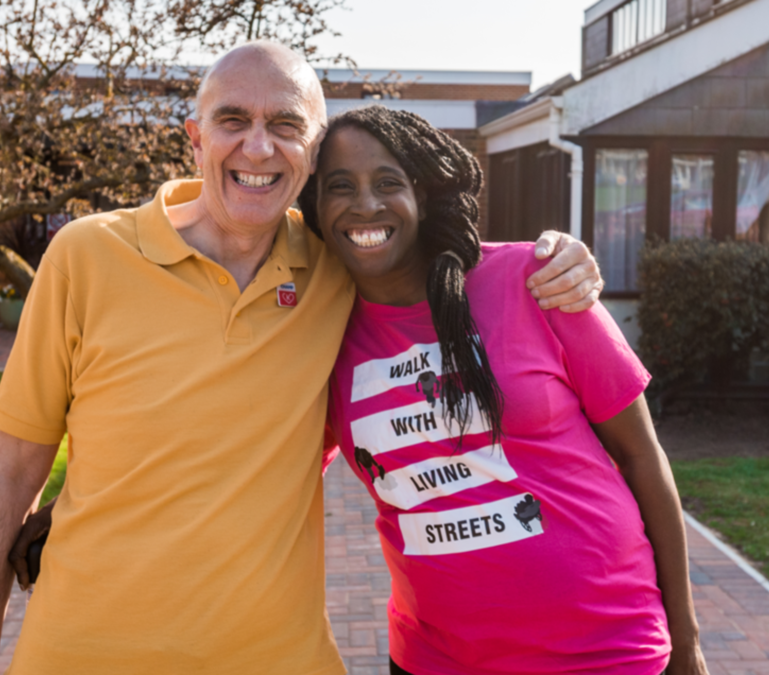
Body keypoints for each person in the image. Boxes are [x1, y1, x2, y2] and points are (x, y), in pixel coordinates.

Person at [0, 42, 602, 675]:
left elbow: (432, 255)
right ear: (195, 138)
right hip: (82, 654)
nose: (258, 148)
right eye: (233, 120)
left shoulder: (336, 269)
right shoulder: (85, 256)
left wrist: (555, 258)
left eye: (286, 125)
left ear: (314, 152)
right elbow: (13, 468)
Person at [297, 105, 710, 675]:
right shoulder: (321, 335)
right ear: (314, 208)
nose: (366, 204)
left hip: (607, 649)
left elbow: (641, 455)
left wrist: (685, 637)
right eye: (340, 186)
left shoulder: (534, 281)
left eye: (387, 182)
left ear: (422, 192)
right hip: (436, 658)